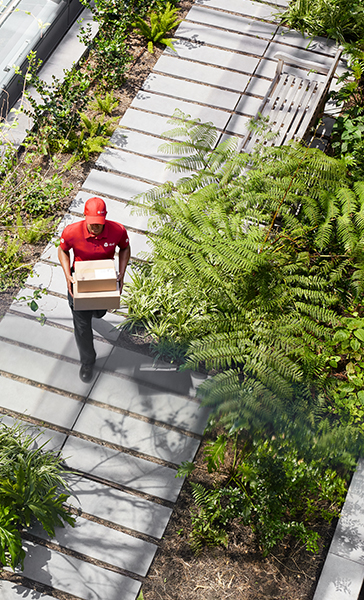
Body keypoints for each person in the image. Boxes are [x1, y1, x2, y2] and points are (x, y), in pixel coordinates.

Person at [58, 196, 131, 382]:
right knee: (82, 326)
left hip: (103, 279)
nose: (95, 227)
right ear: (85, 217)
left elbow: (124, 248)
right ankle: (88, 361)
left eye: (99, 223)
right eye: (92, 223)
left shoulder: (118, 230)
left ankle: (93, 312)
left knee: (98, 313)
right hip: (80, 280)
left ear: (105, 218)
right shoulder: (72, 232)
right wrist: (68, 274)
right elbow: (63, 250)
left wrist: (122, 272)